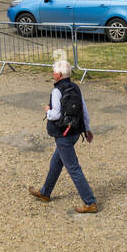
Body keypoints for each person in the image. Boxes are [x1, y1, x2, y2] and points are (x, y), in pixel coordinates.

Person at [29, 59, 97, 213]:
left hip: (63, 134)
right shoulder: (76, 88)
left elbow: (55, 115)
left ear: (58, 75)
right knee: (56, 163)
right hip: (74, 132)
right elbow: (84, 110)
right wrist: (87, 129)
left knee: (73, 168)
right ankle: (45, 193)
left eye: (53, 71)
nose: (52, 74)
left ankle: (90, 202)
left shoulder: (57, 91)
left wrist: (47, 110)